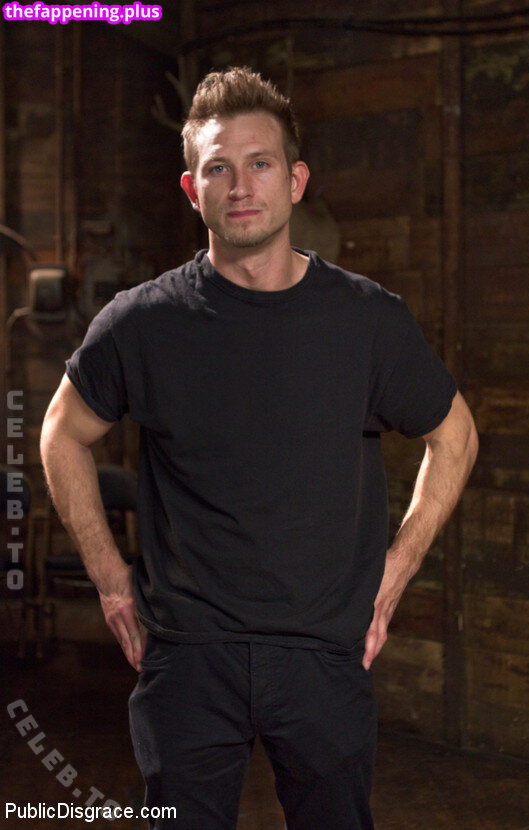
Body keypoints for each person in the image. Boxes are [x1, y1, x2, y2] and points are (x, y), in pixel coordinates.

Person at [40, 67, 478, 830]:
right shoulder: (143, 323)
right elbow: (61, 433)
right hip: (188, 656)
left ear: (296, 181)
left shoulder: (366, 320)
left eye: (261, 163)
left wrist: (397, 567)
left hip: (323, 655)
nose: (240, 186)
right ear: (192, 190)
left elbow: (456, 435)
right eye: (218, 168)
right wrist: (111, 581)